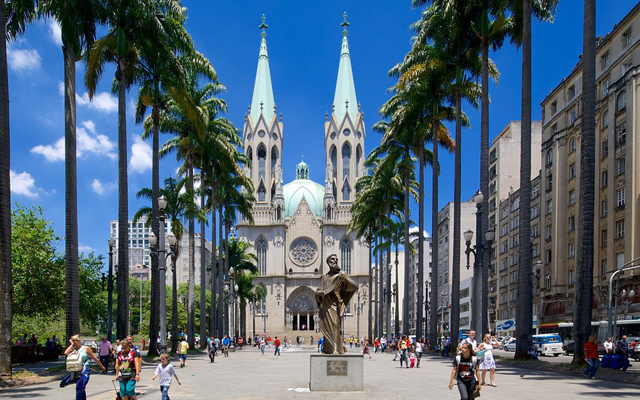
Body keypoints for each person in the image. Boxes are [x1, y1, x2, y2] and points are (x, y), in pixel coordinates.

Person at [60, 334, 106, 400]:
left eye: (77, 340)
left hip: (84, 369)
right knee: (81, 388)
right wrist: (72, 344)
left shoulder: (86, 348)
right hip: (75, 370)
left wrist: (102, 366)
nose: (76, 342)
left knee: (79, 387)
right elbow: (66, 353)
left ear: (80, 341)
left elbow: (95, 358)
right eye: (74, 341)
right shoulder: (73, 349)